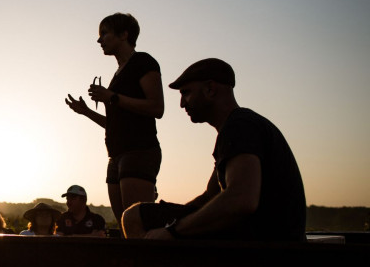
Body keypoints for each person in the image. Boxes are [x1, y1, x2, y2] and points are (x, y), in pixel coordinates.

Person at [121, 58, 306, 241]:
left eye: (186, 93)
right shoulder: (236, 128)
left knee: (135, 217)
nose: (181, 104)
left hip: (267, 243)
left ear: (210, 89)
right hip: (257, 233)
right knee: (138, 215)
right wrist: (175, 221)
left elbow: (241, 199)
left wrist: (173, 231)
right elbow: (210, 196)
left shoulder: (240, 126)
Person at [65, 12, 164, 229]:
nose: (99, 40)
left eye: (104, 33)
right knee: (124, 225)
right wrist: (86, 112)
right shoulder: (118, 74)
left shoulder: (143, 62)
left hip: (139, 151)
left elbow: (157, 107)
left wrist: (111, 96)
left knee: (138, 224)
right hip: (115, 156)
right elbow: (115, 124)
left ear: (123, 34)